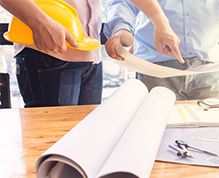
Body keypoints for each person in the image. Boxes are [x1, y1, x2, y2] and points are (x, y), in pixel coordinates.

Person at [0, 0, 182, 107]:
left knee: (86, 139)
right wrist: (38, 21)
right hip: (46, 54)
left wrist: (161, 23)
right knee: (52, 143)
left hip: (90, 54)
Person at [104, 0, 219, 100]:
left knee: (214, 132)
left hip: (209, 70)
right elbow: (124, 2)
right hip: (155, 71)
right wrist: (121, 29)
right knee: (155, 136)